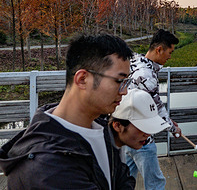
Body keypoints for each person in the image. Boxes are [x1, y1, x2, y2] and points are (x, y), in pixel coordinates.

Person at [0, 33, 135, 189]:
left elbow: (122, 179)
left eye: (127, 82)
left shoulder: (101, 128)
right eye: (120, 81)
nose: (124, 91)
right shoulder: (47, 166)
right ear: (82, 79)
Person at [124, 29, 182, 190]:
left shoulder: (136, 61)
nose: (170, 56)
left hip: (125, 134)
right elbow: (155, 108)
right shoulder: (147, 75)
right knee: (155, 183)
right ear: (159, 50)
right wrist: (173, 128)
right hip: (141, 138)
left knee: (124, 180)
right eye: (169, 52)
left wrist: (169, 121)